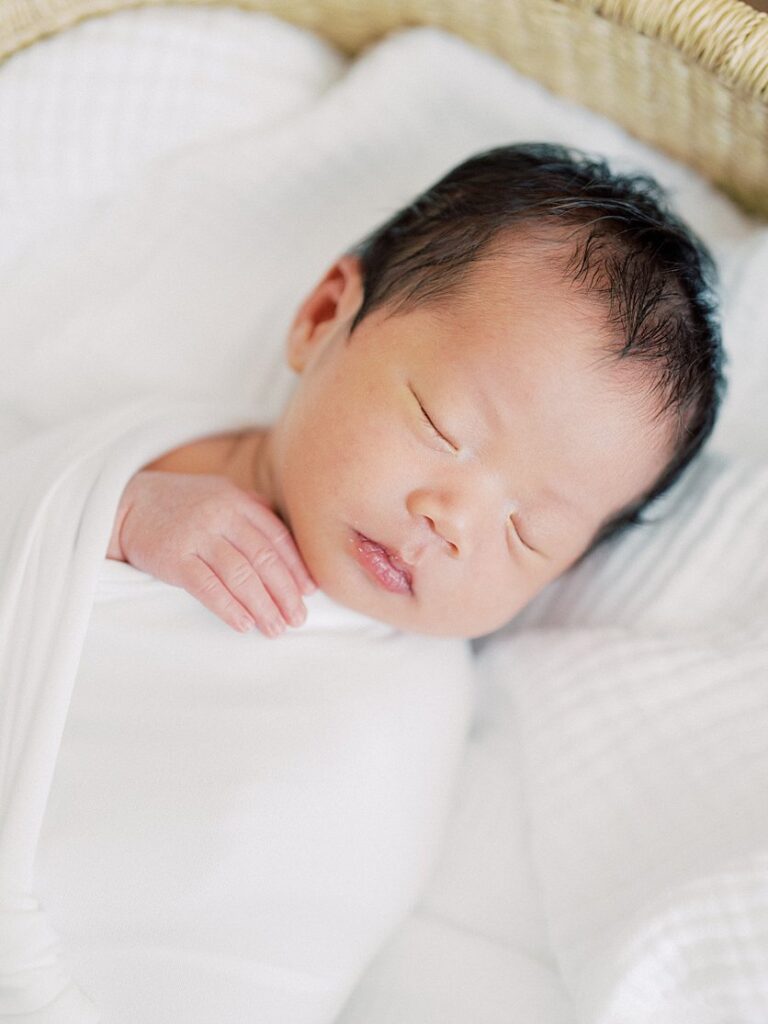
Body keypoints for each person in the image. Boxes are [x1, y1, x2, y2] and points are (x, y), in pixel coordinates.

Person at [106, 142, 724, 641]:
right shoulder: (138, 460)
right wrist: (117, 518)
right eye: (441, 425)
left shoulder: (421, 695)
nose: (451, 520)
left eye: (527, 532)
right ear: (324, 319)